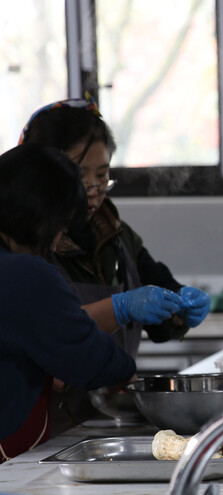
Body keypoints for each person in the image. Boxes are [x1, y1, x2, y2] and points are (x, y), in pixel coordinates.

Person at [19, 95, 211, 433]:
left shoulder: (118, 238)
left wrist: (181, 305)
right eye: (79, 177)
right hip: (41, 428)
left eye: (103, 175)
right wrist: (120, 308)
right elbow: (51, 333)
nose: (93, 191)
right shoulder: (26, 248)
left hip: (110, 421)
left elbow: (161, 295)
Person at [0, 143, 137, 462]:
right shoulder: (23, 274)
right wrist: (127, 371)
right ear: (38, 214)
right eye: (60, 226)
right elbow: (87, 359)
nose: (60, 239)